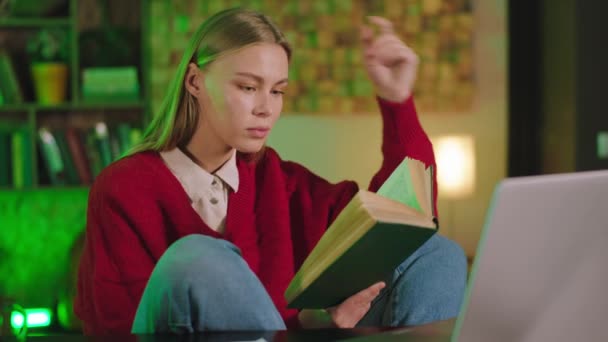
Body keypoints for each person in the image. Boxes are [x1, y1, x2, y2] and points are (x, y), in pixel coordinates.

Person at [74, 8, 467, 335]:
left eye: (277, 91)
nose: (266, 108)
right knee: (198, 257)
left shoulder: (282, 181)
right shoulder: (123, 188)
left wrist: (396, 101)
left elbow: (400, 220)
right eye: (248, 88)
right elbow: (116, 324)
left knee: (436, 253)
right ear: (195, 81)